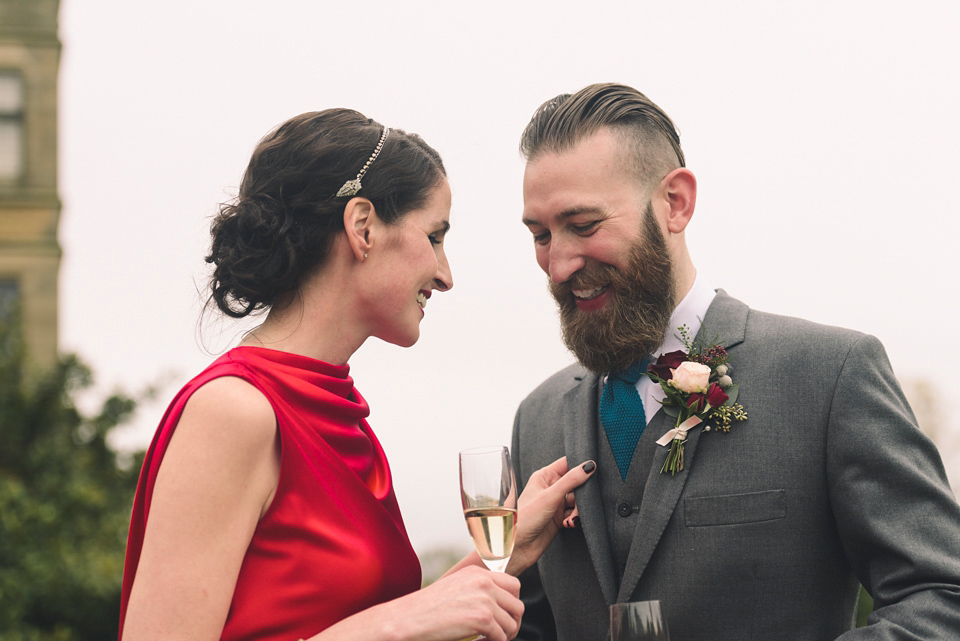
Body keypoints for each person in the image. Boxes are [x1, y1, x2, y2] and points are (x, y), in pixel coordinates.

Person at [118, 108, 597, 641]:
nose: (445, 275)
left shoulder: (338, 411)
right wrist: (402, 621)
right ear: (362, 226)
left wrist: (516, 546)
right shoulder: (234, 411)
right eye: (435, 236)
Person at [510, 83, 960, 640]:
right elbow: (525, 626)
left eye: (583, 225)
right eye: (540, 235)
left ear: (675, 203)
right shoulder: (536, 418)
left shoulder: (828, 376)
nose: (557, 265)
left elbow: (940, 595)